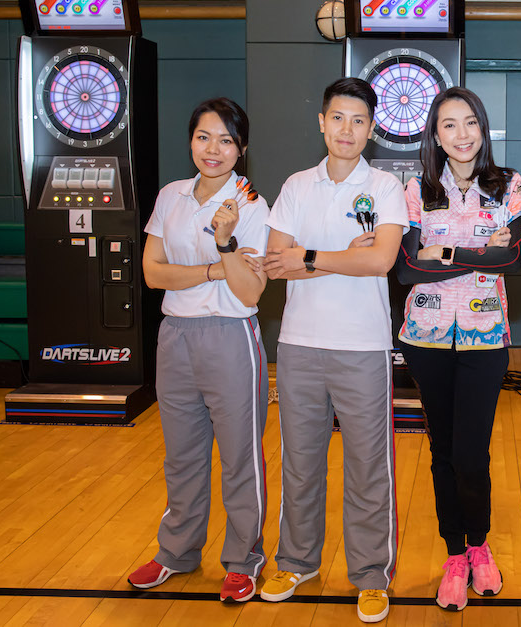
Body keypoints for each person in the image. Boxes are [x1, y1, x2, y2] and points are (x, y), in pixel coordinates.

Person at [258, 78, 408, 624]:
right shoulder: (297, 185)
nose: (348, 129)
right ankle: (296, 562)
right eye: (338, 118)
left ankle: (370, 575)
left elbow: (380, 261)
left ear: (372, 128)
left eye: (359, 120)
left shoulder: (386, 187)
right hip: (299, 346)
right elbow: (276, 263)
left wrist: (310, 256)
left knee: (369, 467)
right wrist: (341, 255)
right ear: (322, 122)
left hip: (363, 347)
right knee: (299, 464)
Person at [129, 97, 270, 603]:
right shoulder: (171, 195)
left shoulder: (251, 206)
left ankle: (244, 560)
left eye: (226, 140)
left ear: (241, 148)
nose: (213, 149)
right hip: (176, 336)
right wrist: (214, 269)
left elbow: (249, 293)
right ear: (191, 140)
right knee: (182, 457)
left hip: (230, 336)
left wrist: (226, 241)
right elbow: (152, 273)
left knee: (239, 459)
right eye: (203, 137)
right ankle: (177, 552)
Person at [394, 87, 521, 611]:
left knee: (473, 454)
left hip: (484, 337)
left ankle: (480, 544)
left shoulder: (508, 185)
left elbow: (512, 259)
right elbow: (407, 269)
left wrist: (442, 249)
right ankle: (455, 553)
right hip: (425, 339)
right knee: (443, 452)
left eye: (470, 122)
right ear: (435, 134)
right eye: (449, 124)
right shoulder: (417, 189)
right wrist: (478, 253)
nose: (461, 134)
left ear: (482, 128)